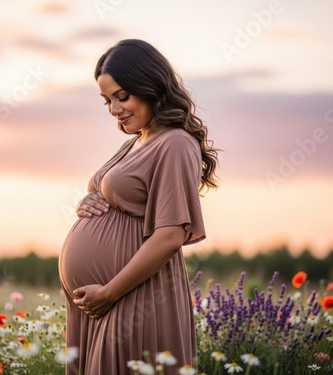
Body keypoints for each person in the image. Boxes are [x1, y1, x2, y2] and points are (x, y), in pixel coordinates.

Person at [58, 39, 220, 374]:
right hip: (102, 301)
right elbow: (119, 196)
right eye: (106, 101)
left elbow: (170, 235)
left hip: (132, 297)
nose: (114, 109)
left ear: (150, 86)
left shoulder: (174, 143)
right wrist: (88, 200)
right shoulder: (137, 141)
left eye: (122, 96)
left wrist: (109, 293)